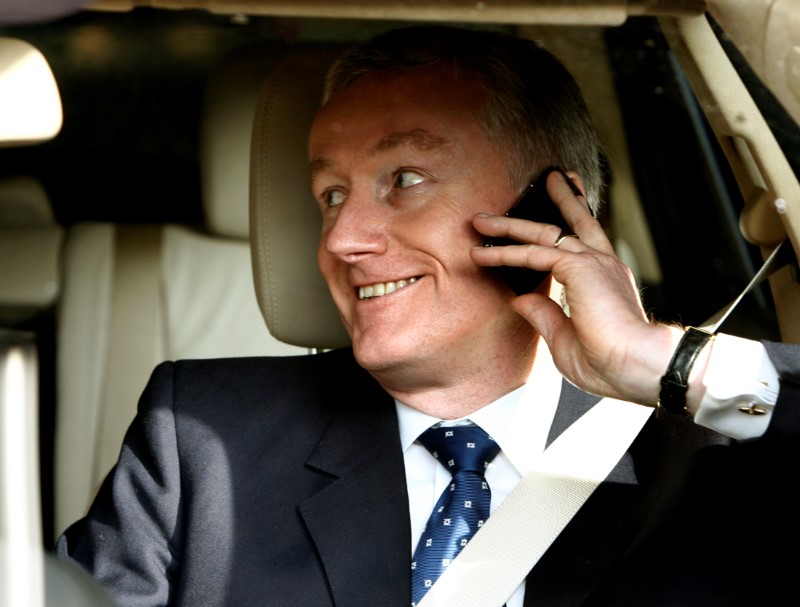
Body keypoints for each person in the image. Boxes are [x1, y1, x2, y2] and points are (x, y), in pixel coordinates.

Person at [56, 24, 800, 606]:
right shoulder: (202, 442)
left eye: (404, 179)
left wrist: (660, 364)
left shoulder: (713, 456)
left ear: (549, 214)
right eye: (332, 196)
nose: (343, 240)